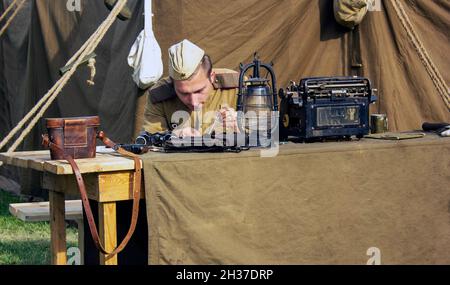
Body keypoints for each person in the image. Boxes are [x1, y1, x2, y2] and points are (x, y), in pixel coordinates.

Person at [142, 39, 239, 137]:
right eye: (184, 93)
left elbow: (253, 132)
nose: (194, 102)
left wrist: (240, 126)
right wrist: (172, 136)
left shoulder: (237, 87)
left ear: (212, 77)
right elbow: (150, 141)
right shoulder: (159, 96)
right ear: (172, 84)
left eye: (199, 91)